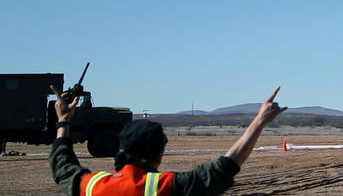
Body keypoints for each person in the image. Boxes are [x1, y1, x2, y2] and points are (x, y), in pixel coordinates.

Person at [49, 85, 287, 195]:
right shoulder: (166, 187)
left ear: (120, 148)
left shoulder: (92, 185)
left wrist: (63, 121)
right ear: (159, 154)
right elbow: (223, 168)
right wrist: (258, 122)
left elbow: (63, 167)